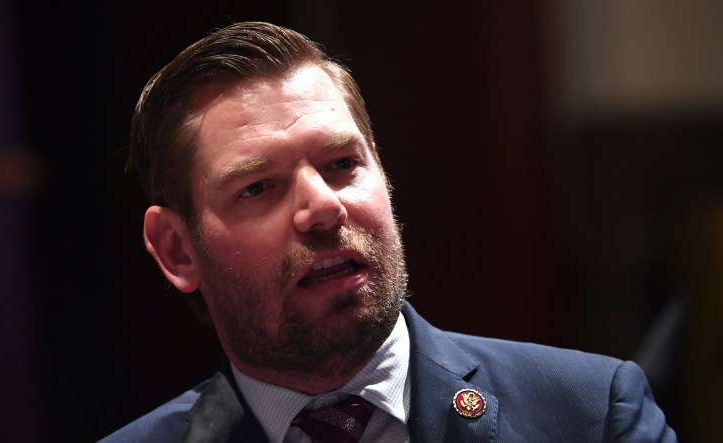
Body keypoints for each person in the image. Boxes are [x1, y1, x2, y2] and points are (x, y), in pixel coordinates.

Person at [101, 21, 676, 442]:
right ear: (177, 250)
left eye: (343, 164)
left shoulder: (591, 413)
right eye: (257, 188)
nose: (324, 207)